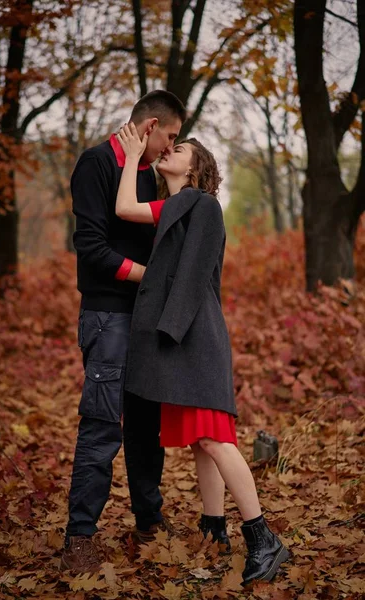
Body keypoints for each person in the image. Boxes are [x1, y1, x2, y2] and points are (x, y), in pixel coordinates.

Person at [114, 123, 290, 586]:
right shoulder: (175, 206)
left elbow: (192, 278)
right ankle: (215, 530)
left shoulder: (204, 205)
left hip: (194, 336)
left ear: (197, 167)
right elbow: (124, 208)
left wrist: (168, 333)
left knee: (214, 438)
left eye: (182, 147)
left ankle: (263, 538)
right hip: (181, 336)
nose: (171, 149)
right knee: (199, 441)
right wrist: (134, 155)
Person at [60, 91, 187, 573]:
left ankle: (149, 520)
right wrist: (150, 277)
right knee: (100, 424)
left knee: (145, 425)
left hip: (146, 317)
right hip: (107, 315)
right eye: (169, 136)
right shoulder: (94, 164)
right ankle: (79, 537)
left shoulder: (151, 173)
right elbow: (90, 247)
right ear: (150, 125)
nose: (170, 146)